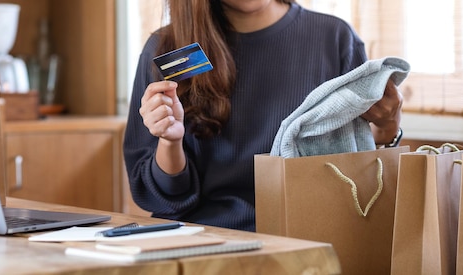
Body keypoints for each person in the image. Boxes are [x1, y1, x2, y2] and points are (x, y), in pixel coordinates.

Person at [123, 0, 403, 232]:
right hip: (202, 238)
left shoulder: (334, 38)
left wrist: (388, 126)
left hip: (308, 234)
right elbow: (159, 200)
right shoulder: (168, 48)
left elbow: (362, 177)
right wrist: (170, 142)